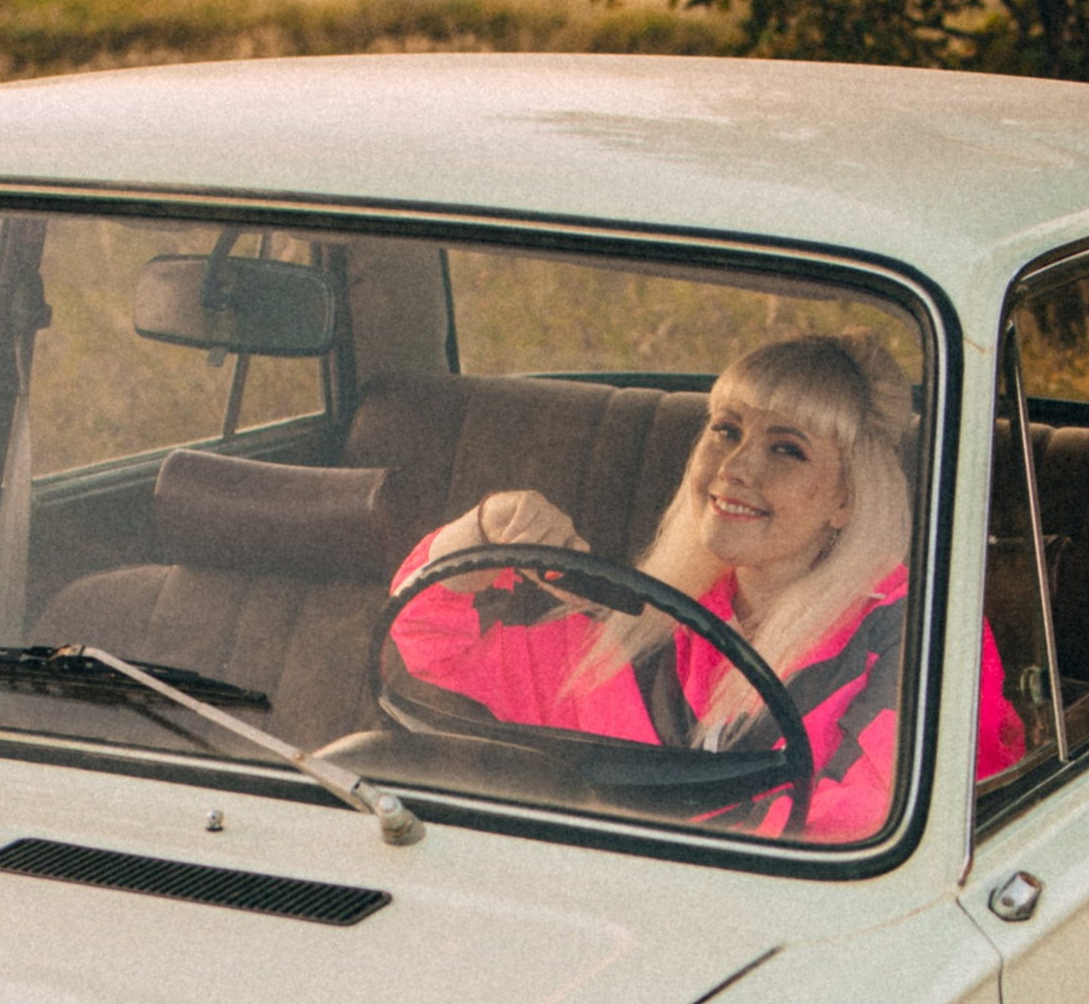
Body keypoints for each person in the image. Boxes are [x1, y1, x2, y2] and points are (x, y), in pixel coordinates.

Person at [385, 331, 1024, 840]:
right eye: (726, 429)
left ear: (846, 500)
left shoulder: (917, 637)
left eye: (787, 449)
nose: (737, 466)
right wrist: (482, 533)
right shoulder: (638, 631)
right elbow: (423, 649)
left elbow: (863, 825)